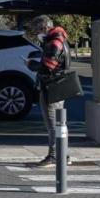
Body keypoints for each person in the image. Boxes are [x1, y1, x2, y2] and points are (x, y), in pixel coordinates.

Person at [26, 15, 73, 168]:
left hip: (51, 86)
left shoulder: (54, 43)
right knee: (60, 123)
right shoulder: (60, 40)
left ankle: (54, 155)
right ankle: (64, 154)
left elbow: (47, 66)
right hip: (58, 85)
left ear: (44, 27)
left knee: (53, 123)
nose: (37, 34)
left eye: (38, 30)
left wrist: (31, 65)